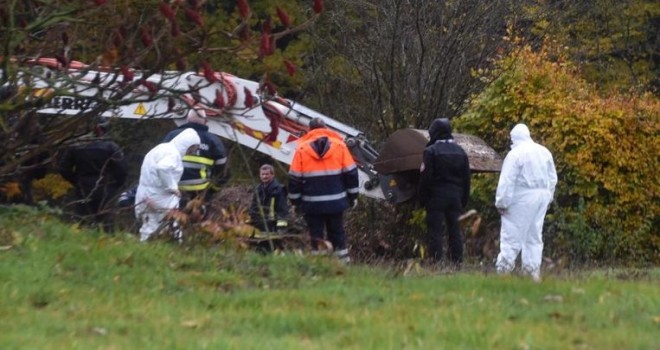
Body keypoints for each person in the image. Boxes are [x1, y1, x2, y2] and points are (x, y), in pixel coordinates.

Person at [288, 118, 359, 263]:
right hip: (336, 202)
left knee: (316, 235)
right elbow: (351, 173)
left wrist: (295, 202)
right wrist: (353, 196)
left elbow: (294, 179)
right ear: (325, 127)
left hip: (312, 204)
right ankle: (342, 264)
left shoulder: (301, 149)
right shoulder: (340, 146)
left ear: (310, 130)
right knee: (337, 233)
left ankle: (319, 266)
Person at [495, 123, 557, 282]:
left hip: (522, 196)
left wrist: (502, 202)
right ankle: (531, 273)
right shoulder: (544, 151)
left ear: (513, 138)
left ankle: (503, 271)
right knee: (534, 236)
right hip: (541, 196)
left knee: (512, 234)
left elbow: (507, 180)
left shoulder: (516, 154)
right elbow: (552, 178)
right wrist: (548, 196)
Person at [418, 118, 471, 265]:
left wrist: (422, 199)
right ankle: (457, 263)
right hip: (455, 198)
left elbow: (425, 178)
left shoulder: (430, 151)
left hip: (436, 198)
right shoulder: (461, 152)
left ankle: (436, 263)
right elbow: (466, 179)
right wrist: (463, 200)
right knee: (455, 232)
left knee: (435, 232)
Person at [58, 118, 128, 232]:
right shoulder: (111, 147)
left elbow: (63, 169)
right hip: (106, 189)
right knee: (107, 225)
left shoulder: (76, 145)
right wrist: (115, 185)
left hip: (83, 188)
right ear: (103, 129)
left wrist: (77, 181)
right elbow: (122, 170)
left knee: (82, 223)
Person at [135, 128, 200, 242]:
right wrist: (173, 187)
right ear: (187, 145)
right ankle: (175, 251)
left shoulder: (162, 148)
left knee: (149, 226)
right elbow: (163, 168)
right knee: (170, 227)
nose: (193, 152)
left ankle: (146, 250)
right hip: (159, 197)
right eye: (192, 148)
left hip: (145, 194)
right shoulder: (173, 154)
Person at [162, 108, 228, 209]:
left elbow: (159, 162)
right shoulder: (213, 141)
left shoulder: (172, 136)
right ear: (206, 121)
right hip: (199, 195)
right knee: (194, 223)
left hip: (171, 192)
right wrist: (212, 190)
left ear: (187, 119)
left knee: (169, 221)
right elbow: (223, 172)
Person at [249, 163, 289, 233]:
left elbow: (282, 210)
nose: (264, 176)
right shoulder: (258, 189)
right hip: (260, 226)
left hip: (273, 226)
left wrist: (281, 228)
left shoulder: (279, 190)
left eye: (267, 174)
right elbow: (254, 207)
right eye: (262, 174)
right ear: (260, 175)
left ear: (272, 175)